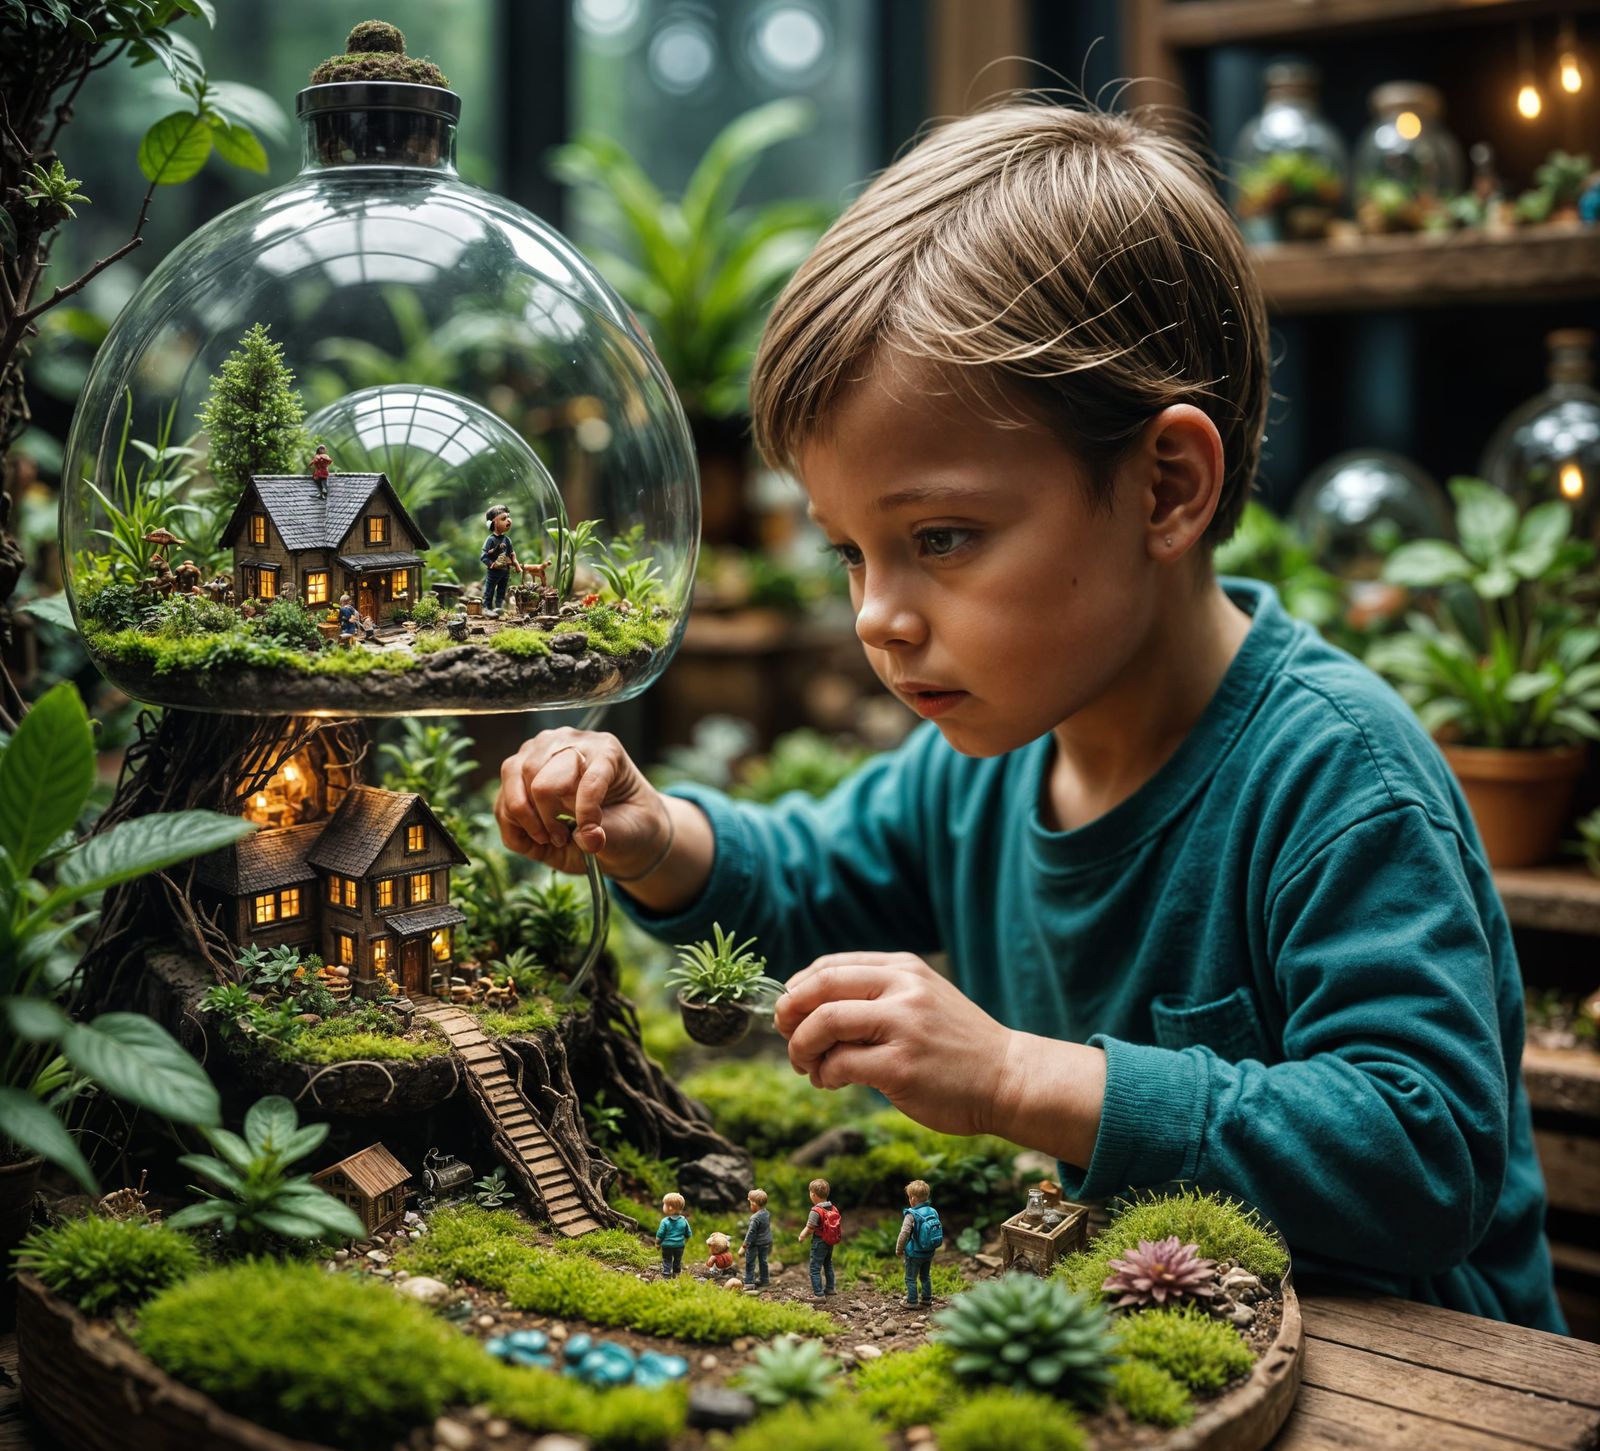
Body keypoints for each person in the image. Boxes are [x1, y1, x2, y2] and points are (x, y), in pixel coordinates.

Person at [490, 101, 1563, 1332]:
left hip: (1419, 1396)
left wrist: (1017, 1076)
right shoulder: (987, 764)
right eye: (850, 552)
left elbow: (1424, 1153)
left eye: (939, 538)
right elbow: (806, 875)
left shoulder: (1336, 778)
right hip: (1149, 1340)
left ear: (1166, 487)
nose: (877, 618)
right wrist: (655, 831)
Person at [896, 1179, 943, 1310]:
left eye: (909, 1197)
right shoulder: (933, 1211)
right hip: (929, 1252)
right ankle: (927, 1299)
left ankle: (912, 1301)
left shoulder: (911, 1215)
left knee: (910, 1278)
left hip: (914, 1253)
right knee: (925, 1275)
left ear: (913, 1199)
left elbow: (904, 1233)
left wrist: (899, 1249)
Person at [796, 1178, 842, 1299]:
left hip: (819, 1241)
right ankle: (830, 1288)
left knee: (815, 1268)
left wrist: (802, 1236)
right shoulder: (833, 1208)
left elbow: (810, 1228)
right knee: (828, 1264)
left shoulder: (815, 1211)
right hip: (829, 1241)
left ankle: (819, 1294)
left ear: (813, 1194)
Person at [480, 504, 522, 615]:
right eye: (504, 518)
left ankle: (499, 608)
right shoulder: (490, 540)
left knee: (501, 591)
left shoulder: (507, 540)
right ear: (493, 523)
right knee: (489, 590)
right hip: (494, 571)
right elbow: (483, 556)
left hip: (505, 571)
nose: (508, 520)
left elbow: (512, 553)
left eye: (508, 517)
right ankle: (486, 608)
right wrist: (492, 564)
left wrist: (516, 564)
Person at [739, 1186, 772, 1290]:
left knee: (750, 1262)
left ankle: (749, 1283)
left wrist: (744, 1246)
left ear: (754, 1204)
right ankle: (764, 1280)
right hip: (766, 1242)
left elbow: (751, 1233)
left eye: (750, 1203)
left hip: (755, 1243)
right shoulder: (766, 1213)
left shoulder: (755, 1218)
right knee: (763, 1261)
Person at [655, 1191, 691, 1279]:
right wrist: (684, 1241)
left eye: (664, 1205)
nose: (663, 1207)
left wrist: (657, 1243)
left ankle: (666, 1273)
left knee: (667, 1259)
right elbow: (688, 1234)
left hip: (667, 1246)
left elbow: (660, 1235)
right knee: (677, 1260)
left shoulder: (665, 1221)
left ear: (670, 1208)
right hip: (679, 1246)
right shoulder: (684, 1220)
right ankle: (676, 1273)